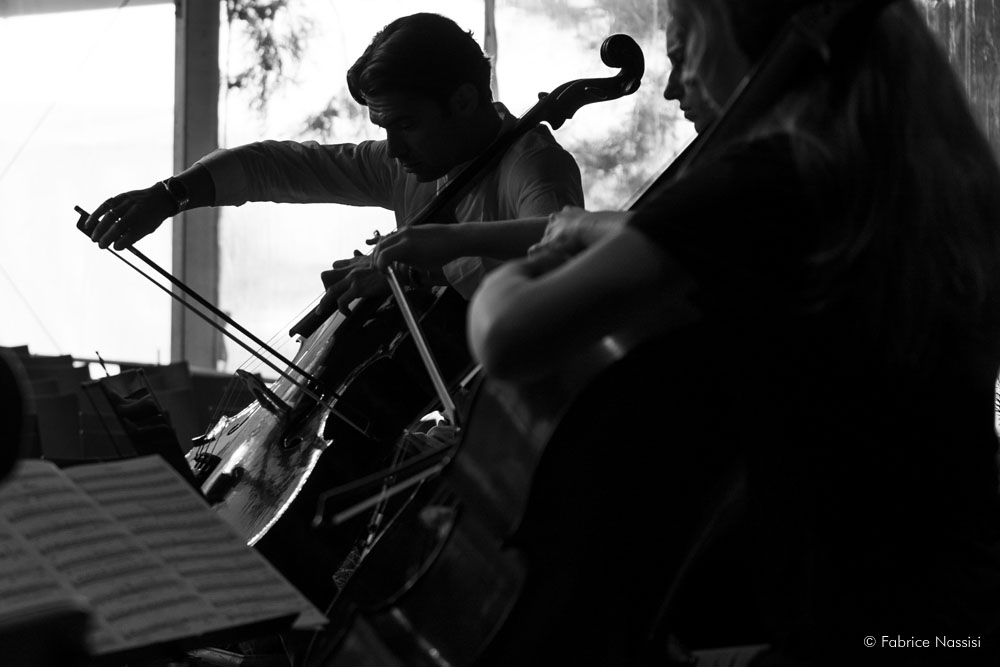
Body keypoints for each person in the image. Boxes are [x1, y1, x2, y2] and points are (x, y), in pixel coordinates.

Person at [465, 1, 1000, 666]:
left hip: (854, 625)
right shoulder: (924, 176)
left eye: (686, 43)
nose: (673, 85)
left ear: (742, 25)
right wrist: (592, 227)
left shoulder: (768, 176)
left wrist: (512, 272)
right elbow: (699, 236)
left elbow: (508, 339)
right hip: (955, 603)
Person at [82, 12, 583, 315]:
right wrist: (171, 195)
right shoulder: (407, 164)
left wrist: (414, 273)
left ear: (464, 101)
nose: (393, 149)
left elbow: (561, 252)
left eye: (407, 124)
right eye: (383, 127)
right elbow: (273, 167)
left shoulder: (533, 165)